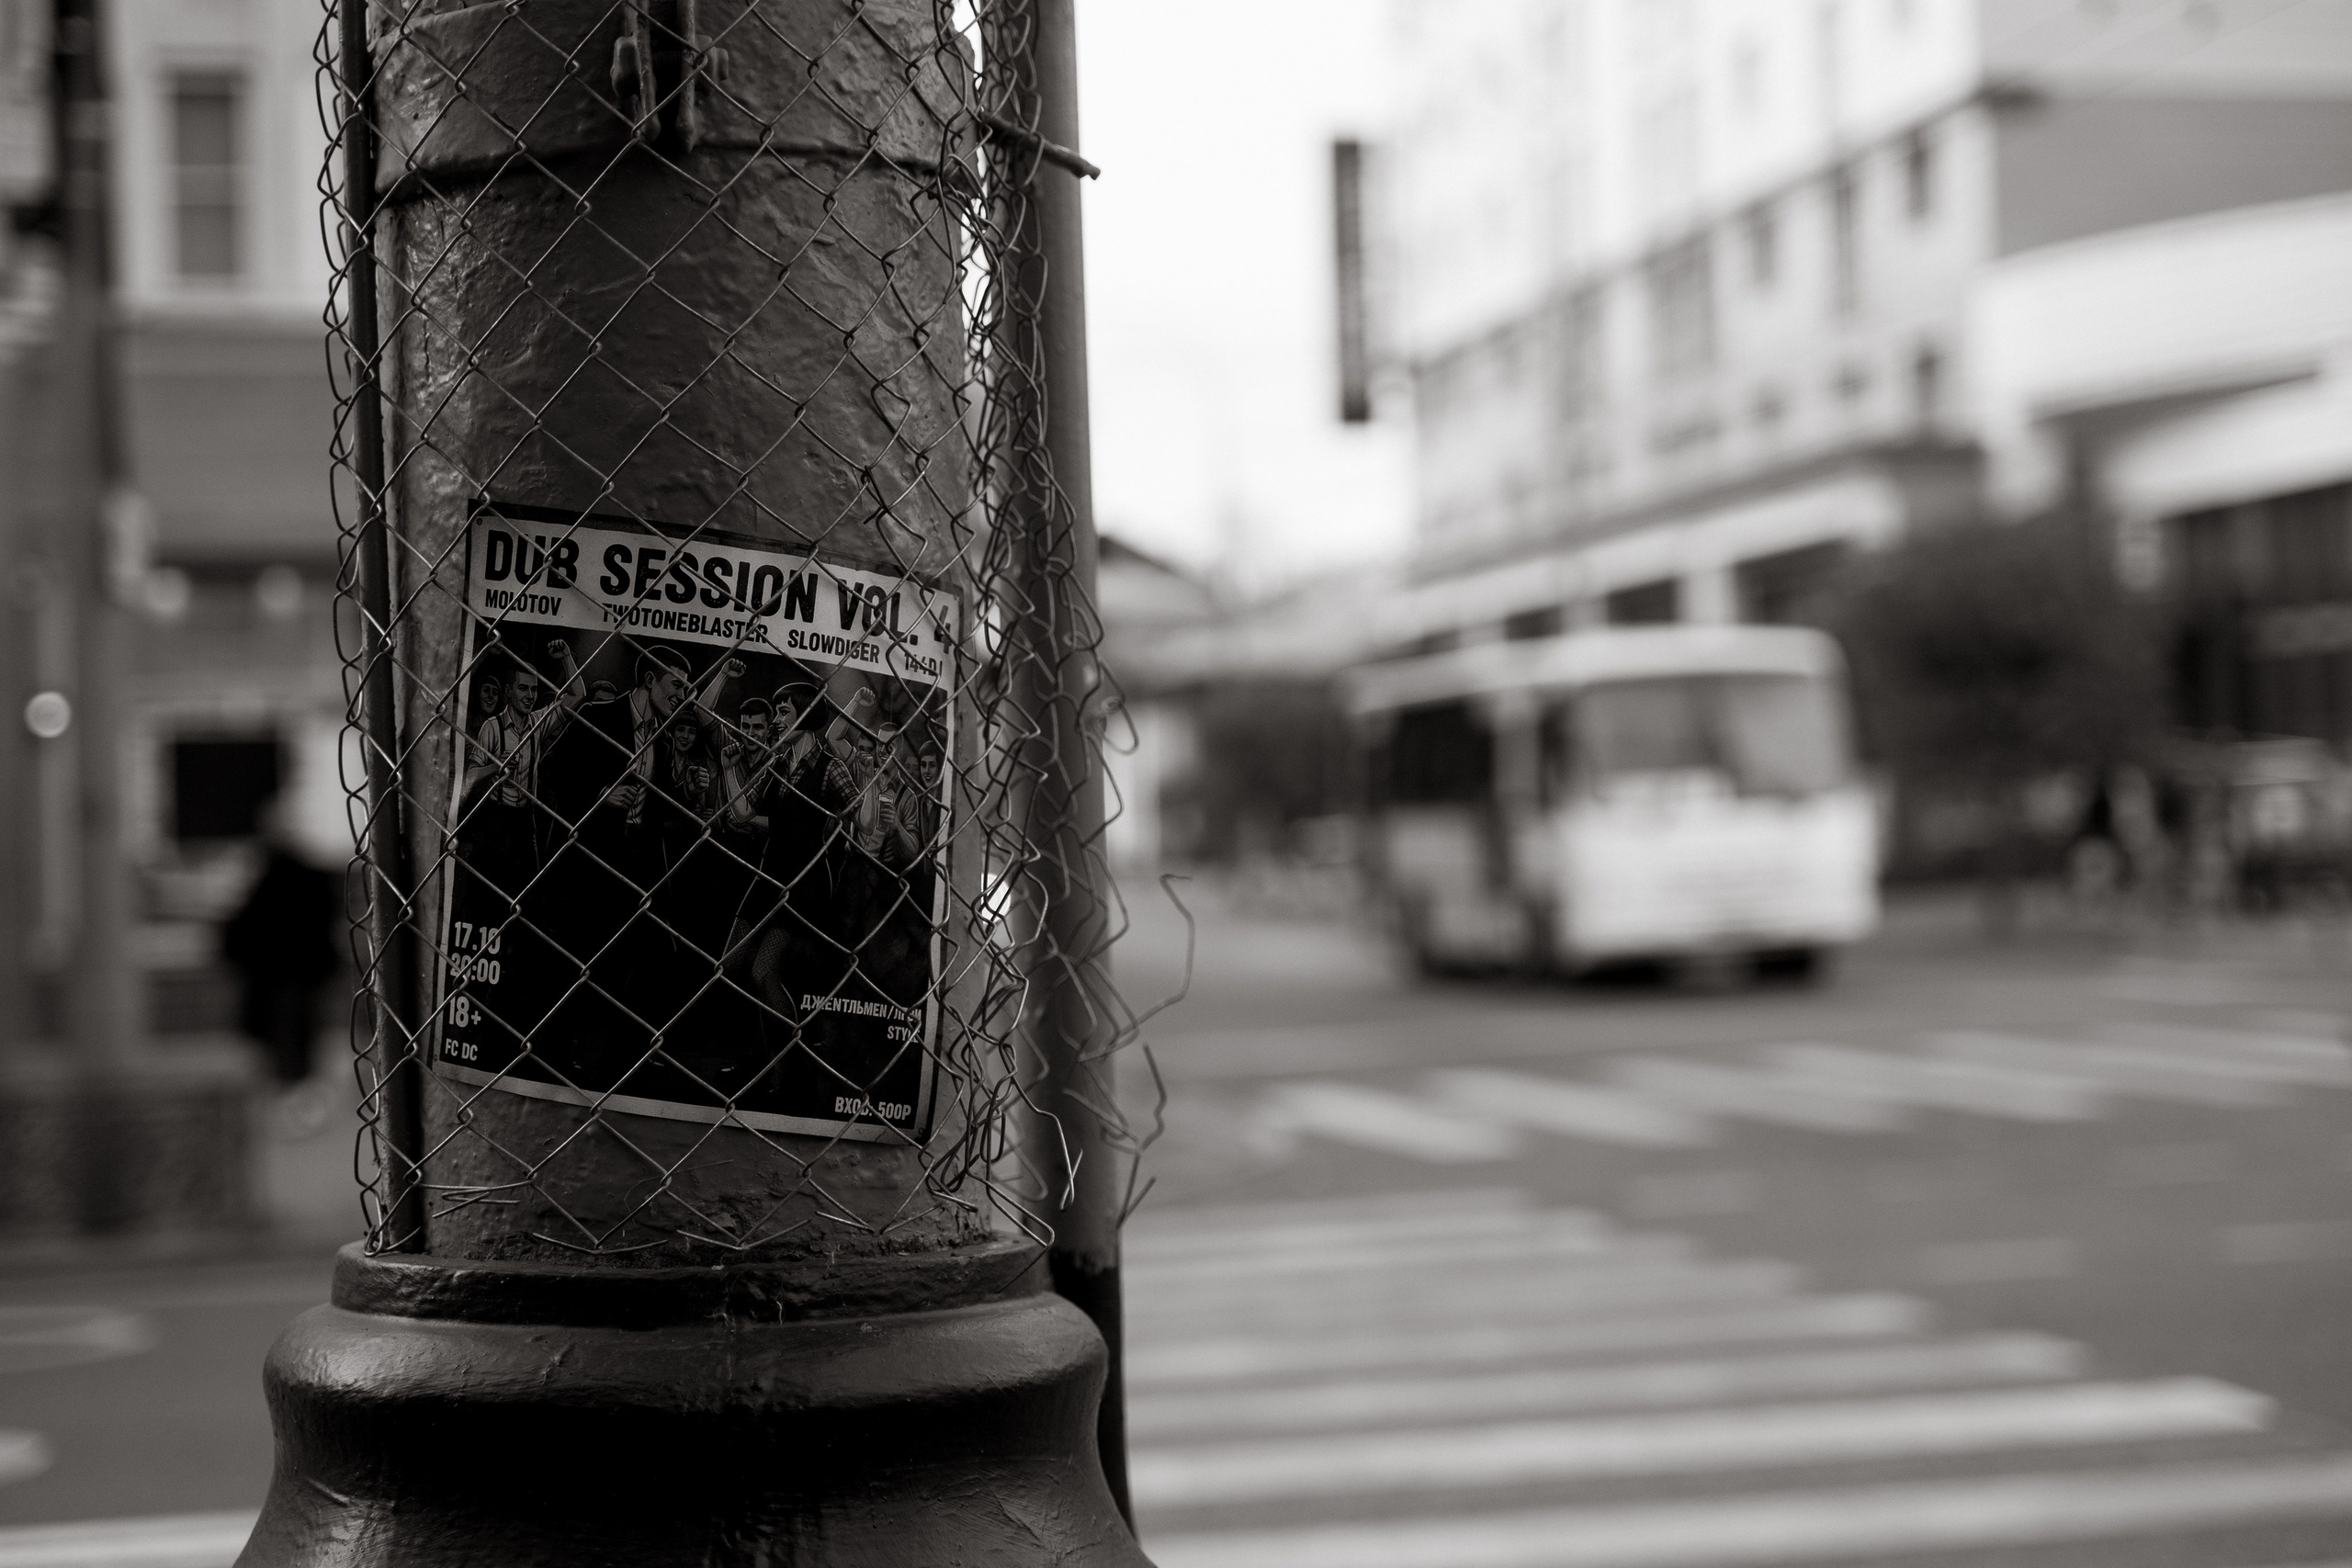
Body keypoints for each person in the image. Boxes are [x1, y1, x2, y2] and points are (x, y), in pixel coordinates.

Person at [223, 806, 343, 1136]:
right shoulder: (312, 878)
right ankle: (302, 1108)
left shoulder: (269, 880)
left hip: (279, 978)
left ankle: (296, 1109)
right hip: (304, 975)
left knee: (287, 1045)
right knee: (302, 1042)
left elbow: (241, 930)